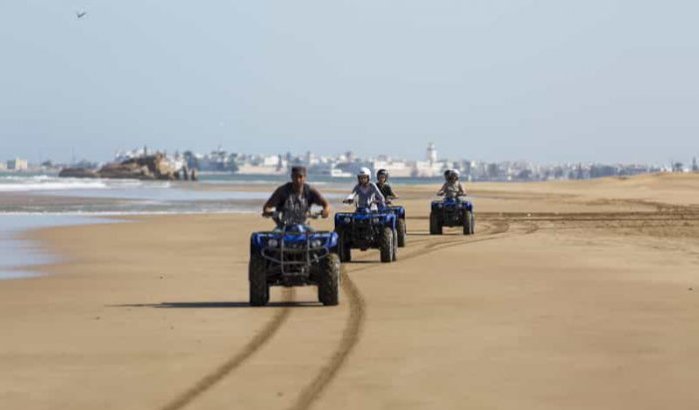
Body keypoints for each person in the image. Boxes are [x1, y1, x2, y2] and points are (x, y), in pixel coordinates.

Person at [262, 166, 331, 226]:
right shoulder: (282, 191)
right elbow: (266, 207)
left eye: (300, 177)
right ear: (291, 177)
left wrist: (326, 211)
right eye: (295, 176)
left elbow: (326, 204)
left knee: (318, 240)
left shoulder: (310, 191)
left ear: (305, 177)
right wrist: (271, 213)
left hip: (304, 227)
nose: (298, 180)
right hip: (283, 227)